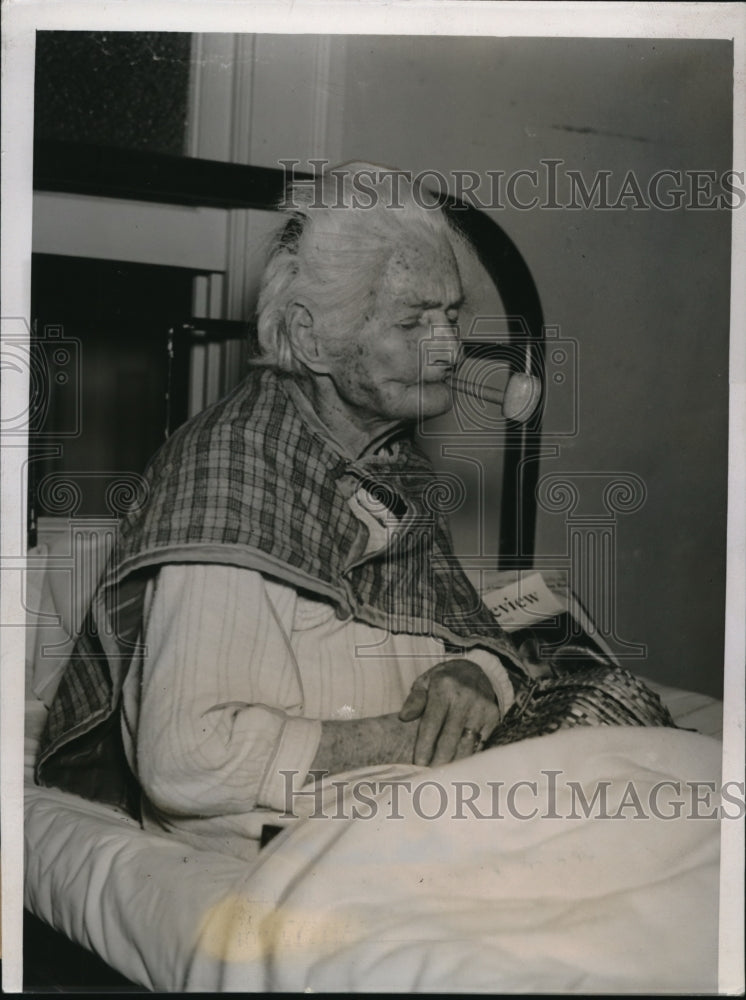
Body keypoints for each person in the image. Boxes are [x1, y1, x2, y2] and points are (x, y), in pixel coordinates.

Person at [36, 163, 674, 861]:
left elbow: (460, 628)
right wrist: (407, 742)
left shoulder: (388, 463)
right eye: (412, 321)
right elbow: (186, 759)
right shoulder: (233, 470)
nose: (451, 348)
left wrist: (477, 676)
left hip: (419, 812)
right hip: (302, 845)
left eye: (453, 315)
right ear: (312, 341)